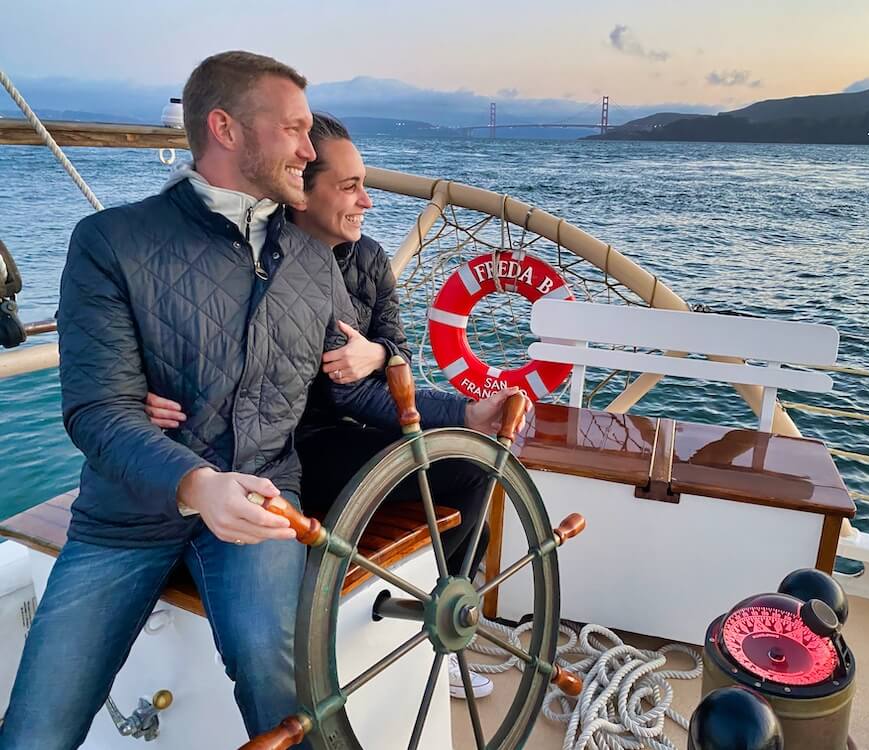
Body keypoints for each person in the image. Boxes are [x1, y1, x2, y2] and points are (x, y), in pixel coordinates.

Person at [0, 51, 411, 749]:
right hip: (125, 516)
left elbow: (356, 380)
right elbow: (98, 411)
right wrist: (194, 483)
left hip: (261, 496)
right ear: (224, 128)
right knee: (39, 723)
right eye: (294, 130)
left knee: (285, 690)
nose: (309, 152)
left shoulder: (311, 259)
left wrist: (459, 411)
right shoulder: (111, 242)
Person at [146, 114, 521, 700]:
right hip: (291, 448)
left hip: (346, 432)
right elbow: (342, 391)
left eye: (363, 183)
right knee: (462, 452)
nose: (367, 201)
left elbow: (393, 351)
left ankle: (441, 610)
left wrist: (379, 352)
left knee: (473, 465)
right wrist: (465, 412)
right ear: (299, 191)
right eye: (349, 186)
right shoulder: (265, 264)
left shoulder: (367, 260)